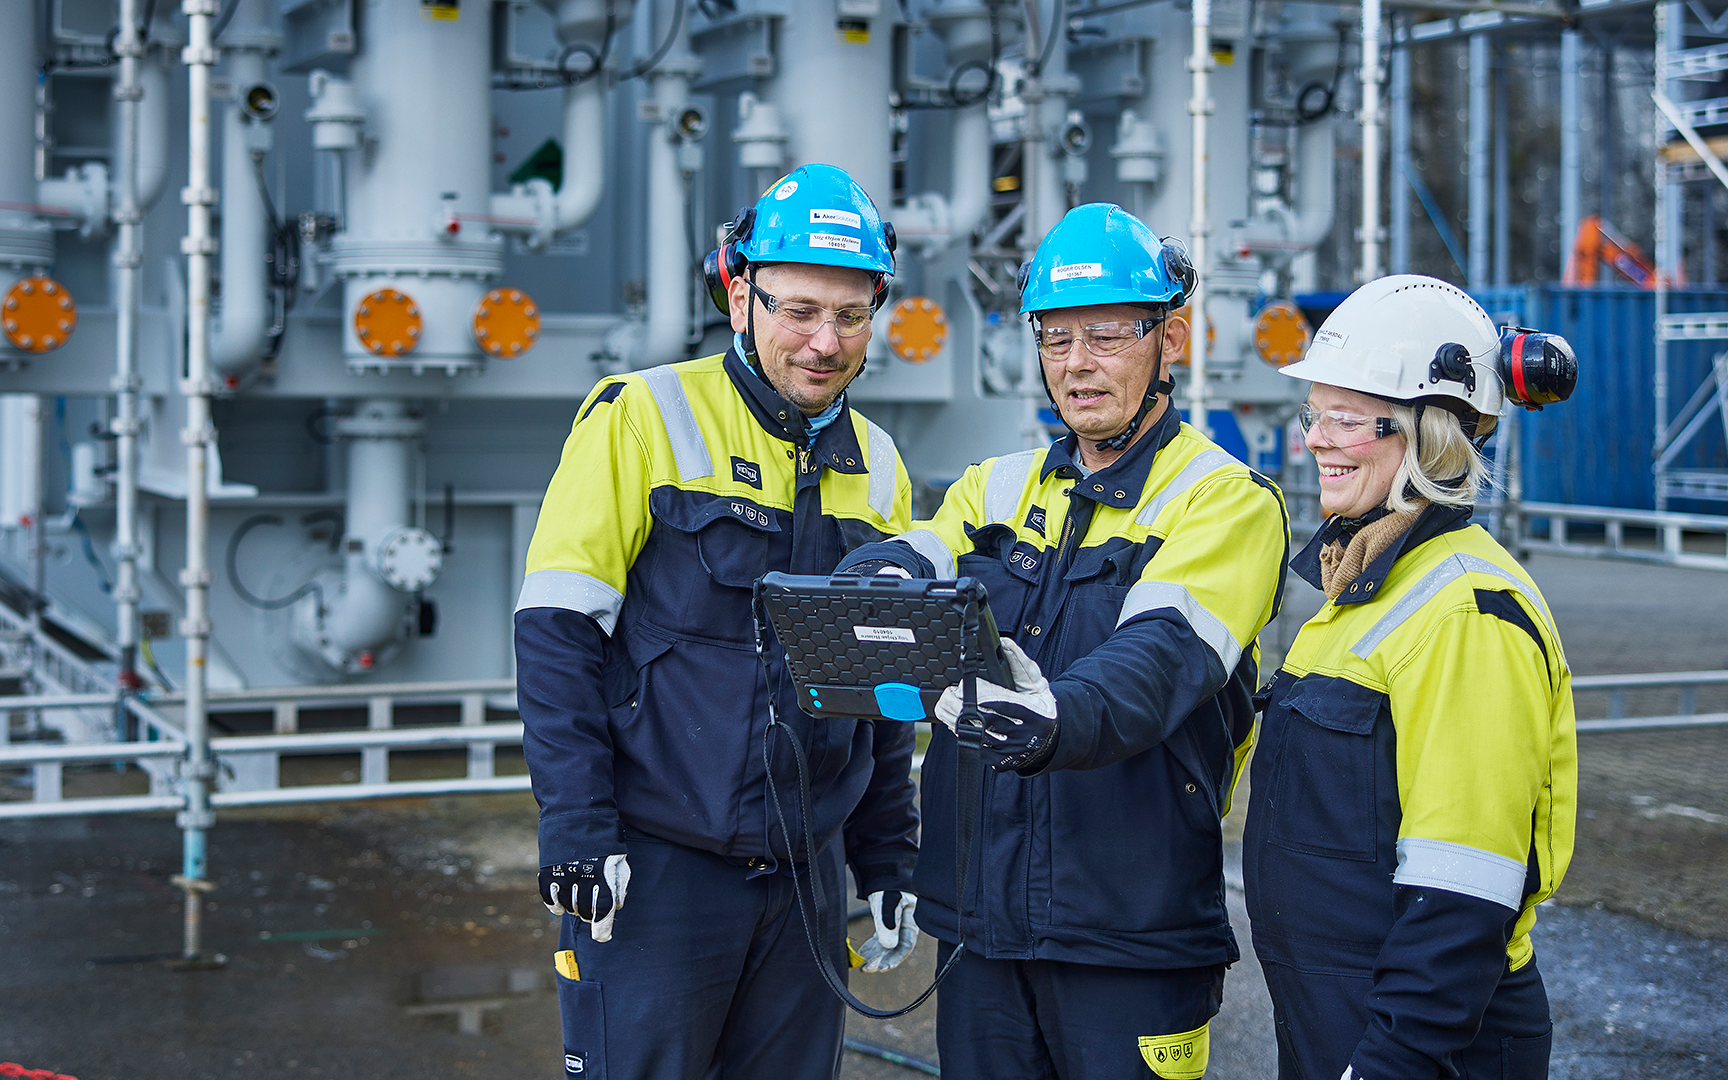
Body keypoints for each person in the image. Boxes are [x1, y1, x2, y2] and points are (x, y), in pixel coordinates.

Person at [838, 203, 1290, 1080]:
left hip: (1130, 931)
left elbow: (1160, 655)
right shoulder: (996, 486)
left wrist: (1056, 716)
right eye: (1056, 337)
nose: (1077, 363)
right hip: (981, 927)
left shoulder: (1223, 499)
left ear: (1171, 340)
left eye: (1108, 335)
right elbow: (923, 550)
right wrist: (882, 571)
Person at [514, 163, 922, 1080]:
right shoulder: (642, 417)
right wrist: (576, 826)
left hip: (804, 880)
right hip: (659, 872)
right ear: (740, 296)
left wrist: (887, 857)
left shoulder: (881, 467)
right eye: (799, 311)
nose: (825, 342)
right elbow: (557, 632)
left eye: (851, 316)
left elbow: (884, 685)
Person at [1242, 274, 1578, 1080]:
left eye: (1347, 419)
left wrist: (1391, 1061)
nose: (1316, 441)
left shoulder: (1468, 611)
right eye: (1314, 415)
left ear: (1430, 435)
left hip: (1421, 1039)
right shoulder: (1364, 589)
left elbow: (1462, 891)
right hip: (1344, 1013)